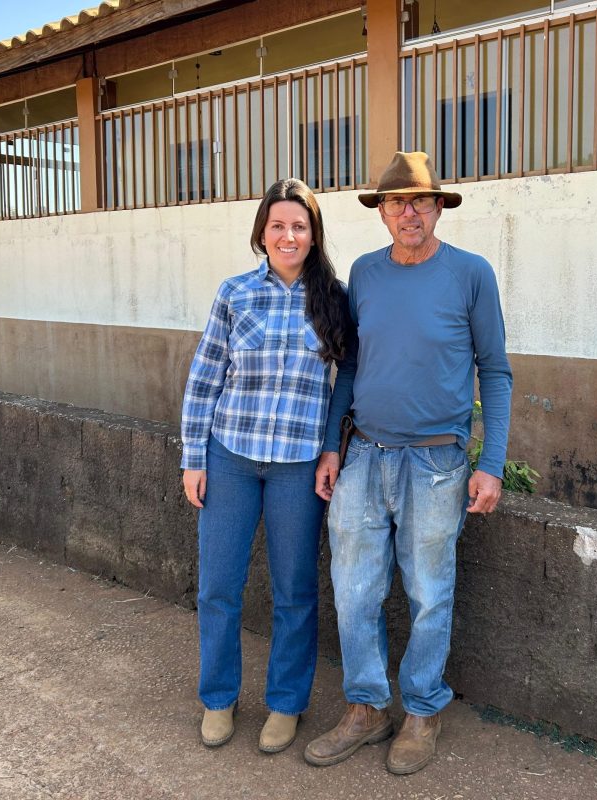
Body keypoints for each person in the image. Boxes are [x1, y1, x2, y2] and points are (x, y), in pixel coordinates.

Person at [304, 151, 513, 775]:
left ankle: (422, 710)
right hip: (366, 454)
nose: (408, 212)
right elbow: (351, 367)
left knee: (428, 592)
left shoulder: (470, 274)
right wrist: (332, 444)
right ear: (382, 212)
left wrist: (491, 462)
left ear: (438, 207)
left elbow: (495, 372)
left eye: (420, 201)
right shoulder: (365, 275)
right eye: (396, 202)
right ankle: (368, 709)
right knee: (355, 588)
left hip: (437, 464)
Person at [181, 178, 349, 755]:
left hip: (297, 467)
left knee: (295, 590)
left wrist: (332, 448)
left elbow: (346, 385)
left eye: (299, 226)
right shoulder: (235, 293)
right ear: (261, 232)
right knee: (219, 586)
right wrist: (192, 458)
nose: (287, 235)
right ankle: (219, 698)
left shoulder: (334, 299)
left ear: (313, 235)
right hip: (230, 457)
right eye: (277, 225)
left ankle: (285, 704)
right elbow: (205, 379)